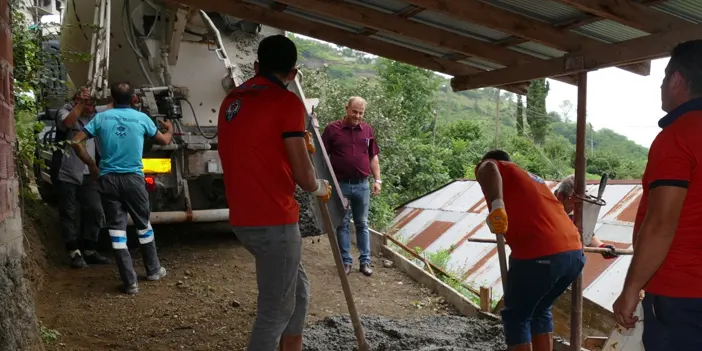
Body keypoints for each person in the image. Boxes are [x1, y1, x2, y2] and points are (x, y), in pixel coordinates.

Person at [217, 34, 331, 351]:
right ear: (293, 74)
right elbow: (305, 177)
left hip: (243, 216)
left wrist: (292, 141)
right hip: (273, 219)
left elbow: (258, 147)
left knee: (298, 289)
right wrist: (321, 187)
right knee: (275, 312)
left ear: (256, 66)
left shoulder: (232, 100)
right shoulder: (286, 102)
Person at [613, 40, 702, 351]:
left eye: (664, 78)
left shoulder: (677, 136)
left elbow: (661, 224)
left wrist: (630, 290)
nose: (662, 86)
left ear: (677, 79)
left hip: (681, 295)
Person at [475, 150, 584, 351]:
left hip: (541, 253)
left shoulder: (494, 166)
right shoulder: (532, 179)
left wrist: (497, 205)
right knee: (540, 310)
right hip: (574, 254)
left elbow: (489, 167)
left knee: (516, 316)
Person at [71, 81, 174, 295]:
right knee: (143, 225)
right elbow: (164, 140)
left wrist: (92, 165)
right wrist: (170, 129)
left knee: (117, 231)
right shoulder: (142, 118)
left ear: (113, 99)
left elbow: (75, 142)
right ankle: (154, 270)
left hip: (108, 179)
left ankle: (130, 283)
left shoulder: (100, 118)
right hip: (134, 179)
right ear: (134, 99)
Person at [321, 96, 381, 276]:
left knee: (362, 223)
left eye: (361, 113)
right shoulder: (332, 130)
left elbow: (373, 157)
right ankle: (346, 262)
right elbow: (322, 157)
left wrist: (378, 180)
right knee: (342, 223)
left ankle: (365, 262)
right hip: (340, 185)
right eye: (354, 112)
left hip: (362, 185)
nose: (357, 116)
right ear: (347, 108)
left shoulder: (367, 130)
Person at [55, 87, 111, 268]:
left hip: (89, 173)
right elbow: (68, 123)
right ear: (77, 100)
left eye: (92, 103)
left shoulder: (93, 113)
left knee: (95, 210)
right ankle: (74, 253)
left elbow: (111, 106)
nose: (91, 107)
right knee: (68, 213)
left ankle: (89, 249)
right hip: (67, 172)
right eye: (86, 103)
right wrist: (81, 104)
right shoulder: (64, 111)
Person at [554, 174, 618, 259]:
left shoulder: (572, 215)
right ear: (561, 196)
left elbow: (586, 234)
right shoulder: (545, 211)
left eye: (581, 202)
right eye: (574, 201)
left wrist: (602, 247)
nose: (576, 206)